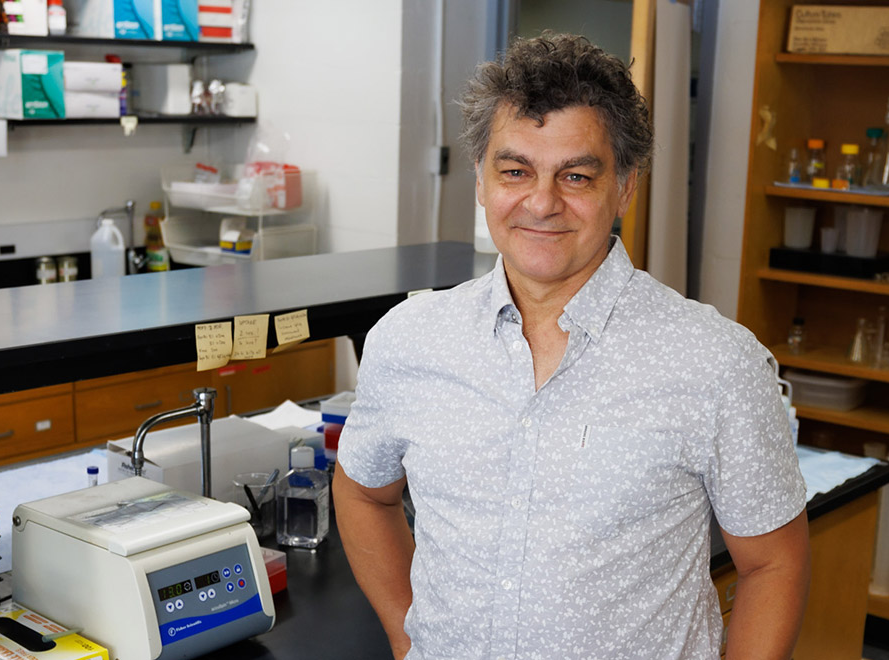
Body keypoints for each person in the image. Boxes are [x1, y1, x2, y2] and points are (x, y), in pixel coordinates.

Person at [334, 33, 809, 659]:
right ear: (480, 180)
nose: (541, 202)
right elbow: (364, 489)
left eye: (577, 175)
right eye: (514, 171)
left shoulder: (714, 361)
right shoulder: (410, 337)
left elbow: (774, 564)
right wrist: (405, 631)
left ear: (625, 187)